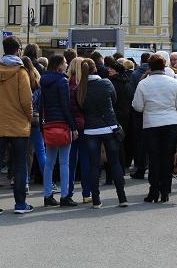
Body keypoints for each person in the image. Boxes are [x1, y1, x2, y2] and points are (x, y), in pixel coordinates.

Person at [0, 36, 34, 215]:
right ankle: (20, 204)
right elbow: (27, 101)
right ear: (18, 50)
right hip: (18, 124)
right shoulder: (21, 72)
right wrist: (28, 118)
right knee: (19, 164)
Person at [133, 54, 177, 203]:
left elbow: (137, 106)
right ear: (164, 67)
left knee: (154, 158)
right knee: (167, 158)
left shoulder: (143, 83)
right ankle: (165, 191)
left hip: (151, 124)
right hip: (171, 124)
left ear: (149, 67)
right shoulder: (173, 82)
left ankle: (153, 190)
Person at [76, 58, 128, 208]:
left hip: (90, 130)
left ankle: (96, 200)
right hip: (109, 127)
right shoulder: (106, 83)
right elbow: (114, 100)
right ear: (96, 69)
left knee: (94, 165)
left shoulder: (80, 88)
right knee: (114, 162)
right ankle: (122, 197)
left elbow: (80, 108)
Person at [40, 55, 78, 207]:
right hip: (62, 124)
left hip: (49, 123)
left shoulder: (43, 80)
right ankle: (64, 196)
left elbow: (42, 104)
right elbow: (65, 105)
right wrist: (73, 126)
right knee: (64, 162)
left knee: (49, 162)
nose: (67, 65)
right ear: (58, 65)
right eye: (65, 63)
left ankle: (47, 195)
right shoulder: (62, 81)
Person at [66, 56, 91, 203]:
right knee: (85, 160)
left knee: (69, 161)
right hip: (85, 125)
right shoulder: (85, 85)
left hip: (70, 126)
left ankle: (68, 193)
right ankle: (86, 193)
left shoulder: (66, 84)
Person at [20, 56, 44, 196]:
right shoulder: (37, 80)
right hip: (37, 118)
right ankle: (49, 182)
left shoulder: (20, 79)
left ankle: (25, 182)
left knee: (25, 153)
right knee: (41, 151)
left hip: (23, 119)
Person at [130, 52, 150, 179]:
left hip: (141, 114)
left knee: (141, 142)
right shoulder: (171, 80)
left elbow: (136, 101)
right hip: (160, 119)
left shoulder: (136, 75)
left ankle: (141, 167)